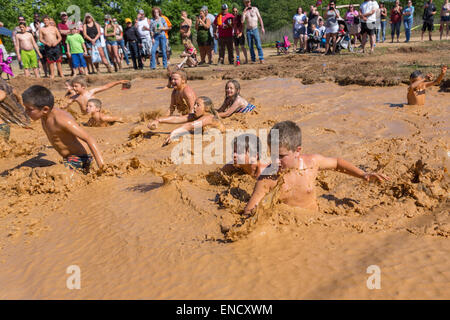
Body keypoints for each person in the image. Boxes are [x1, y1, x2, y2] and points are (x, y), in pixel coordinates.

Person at [243, 121, 389, 214]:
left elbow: (337, 163)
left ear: (297, 151)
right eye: (272, 154)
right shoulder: (267, 179)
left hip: (315, 219)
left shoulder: (311, 163)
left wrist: (363, 174)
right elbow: (248, 211)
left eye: (281, 156)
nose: (275, 160)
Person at [22, 85, 104, 173]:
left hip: (81, 158)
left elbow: (89, 138)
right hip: (68, 159)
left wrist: (102, 167)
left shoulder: (62, 120)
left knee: (49, 174)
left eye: (29, 109)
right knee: (31, 165)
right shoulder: (44, 115)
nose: (25, 111)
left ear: (45, 109)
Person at [149, 96, 222, 147]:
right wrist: (158, 120)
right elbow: (177, 119)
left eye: (198, 105)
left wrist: (174, 133)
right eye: (194, 104)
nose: (194, 107)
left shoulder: (208, 118)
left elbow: (190, 126)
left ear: (207, 108)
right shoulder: (195, 116)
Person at [62, 76, 130, 114]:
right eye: (73, 86)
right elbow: (64, 105)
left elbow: (106, 87)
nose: (74, 88)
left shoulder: (91, 92)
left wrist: (119, 82)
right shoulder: (74, 97)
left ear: (83, 87)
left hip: (96, 114)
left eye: (76, 86)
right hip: (85, 117)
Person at [29, 13, 47, 77]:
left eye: (37, 16)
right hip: (36, 43)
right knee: (37, 59)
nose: (36, 18)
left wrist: (39, 27)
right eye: (35, 17)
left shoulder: (42, 24)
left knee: (44, 59)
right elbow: (33, 35)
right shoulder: (31, 24)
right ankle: (39, 73)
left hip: (43, 43)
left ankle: (45, 73)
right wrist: (37, 28)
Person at [57, 12, 74, 76]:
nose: (64, 17)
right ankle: (71, 70)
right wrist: (69, 31)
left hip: (72, 42)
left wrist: (66, 32)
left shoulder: (71, 23)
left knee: (73, 57)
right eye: (62, 16)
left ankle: (76, 70)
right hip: (64, 43)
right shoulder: (59, 24)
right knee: (67, 56)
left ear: (67, 16)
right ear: (61, 17)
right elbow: (60, 32)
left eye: (65, 16)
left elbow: (75, 31)